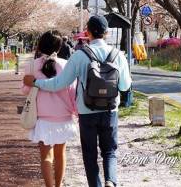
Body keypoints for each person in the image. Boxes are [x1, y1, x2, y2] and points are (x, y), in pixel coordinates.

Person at [24, 16, 131, 187]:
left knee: (89, 155)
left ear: (87, 32)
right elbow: (125, 86)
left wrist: (36, 82)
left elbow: (59, 83)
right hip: (110, 110)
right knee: (110, 152)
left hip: (87, 111)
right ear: (107, 33)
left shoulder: (80, 56)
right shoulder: (118, 55)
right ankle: (111, 181)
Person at [21, 31, 78, 187]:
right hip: (64, 117)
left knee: (46, 156)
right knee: (60, 155)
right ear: (60, 47)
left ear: (39, 46)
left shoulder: (31, 66)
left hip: (43, 118)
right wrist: (77, 113)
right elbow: (73, 92)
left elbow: (25, 91)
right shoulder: (66, 65)